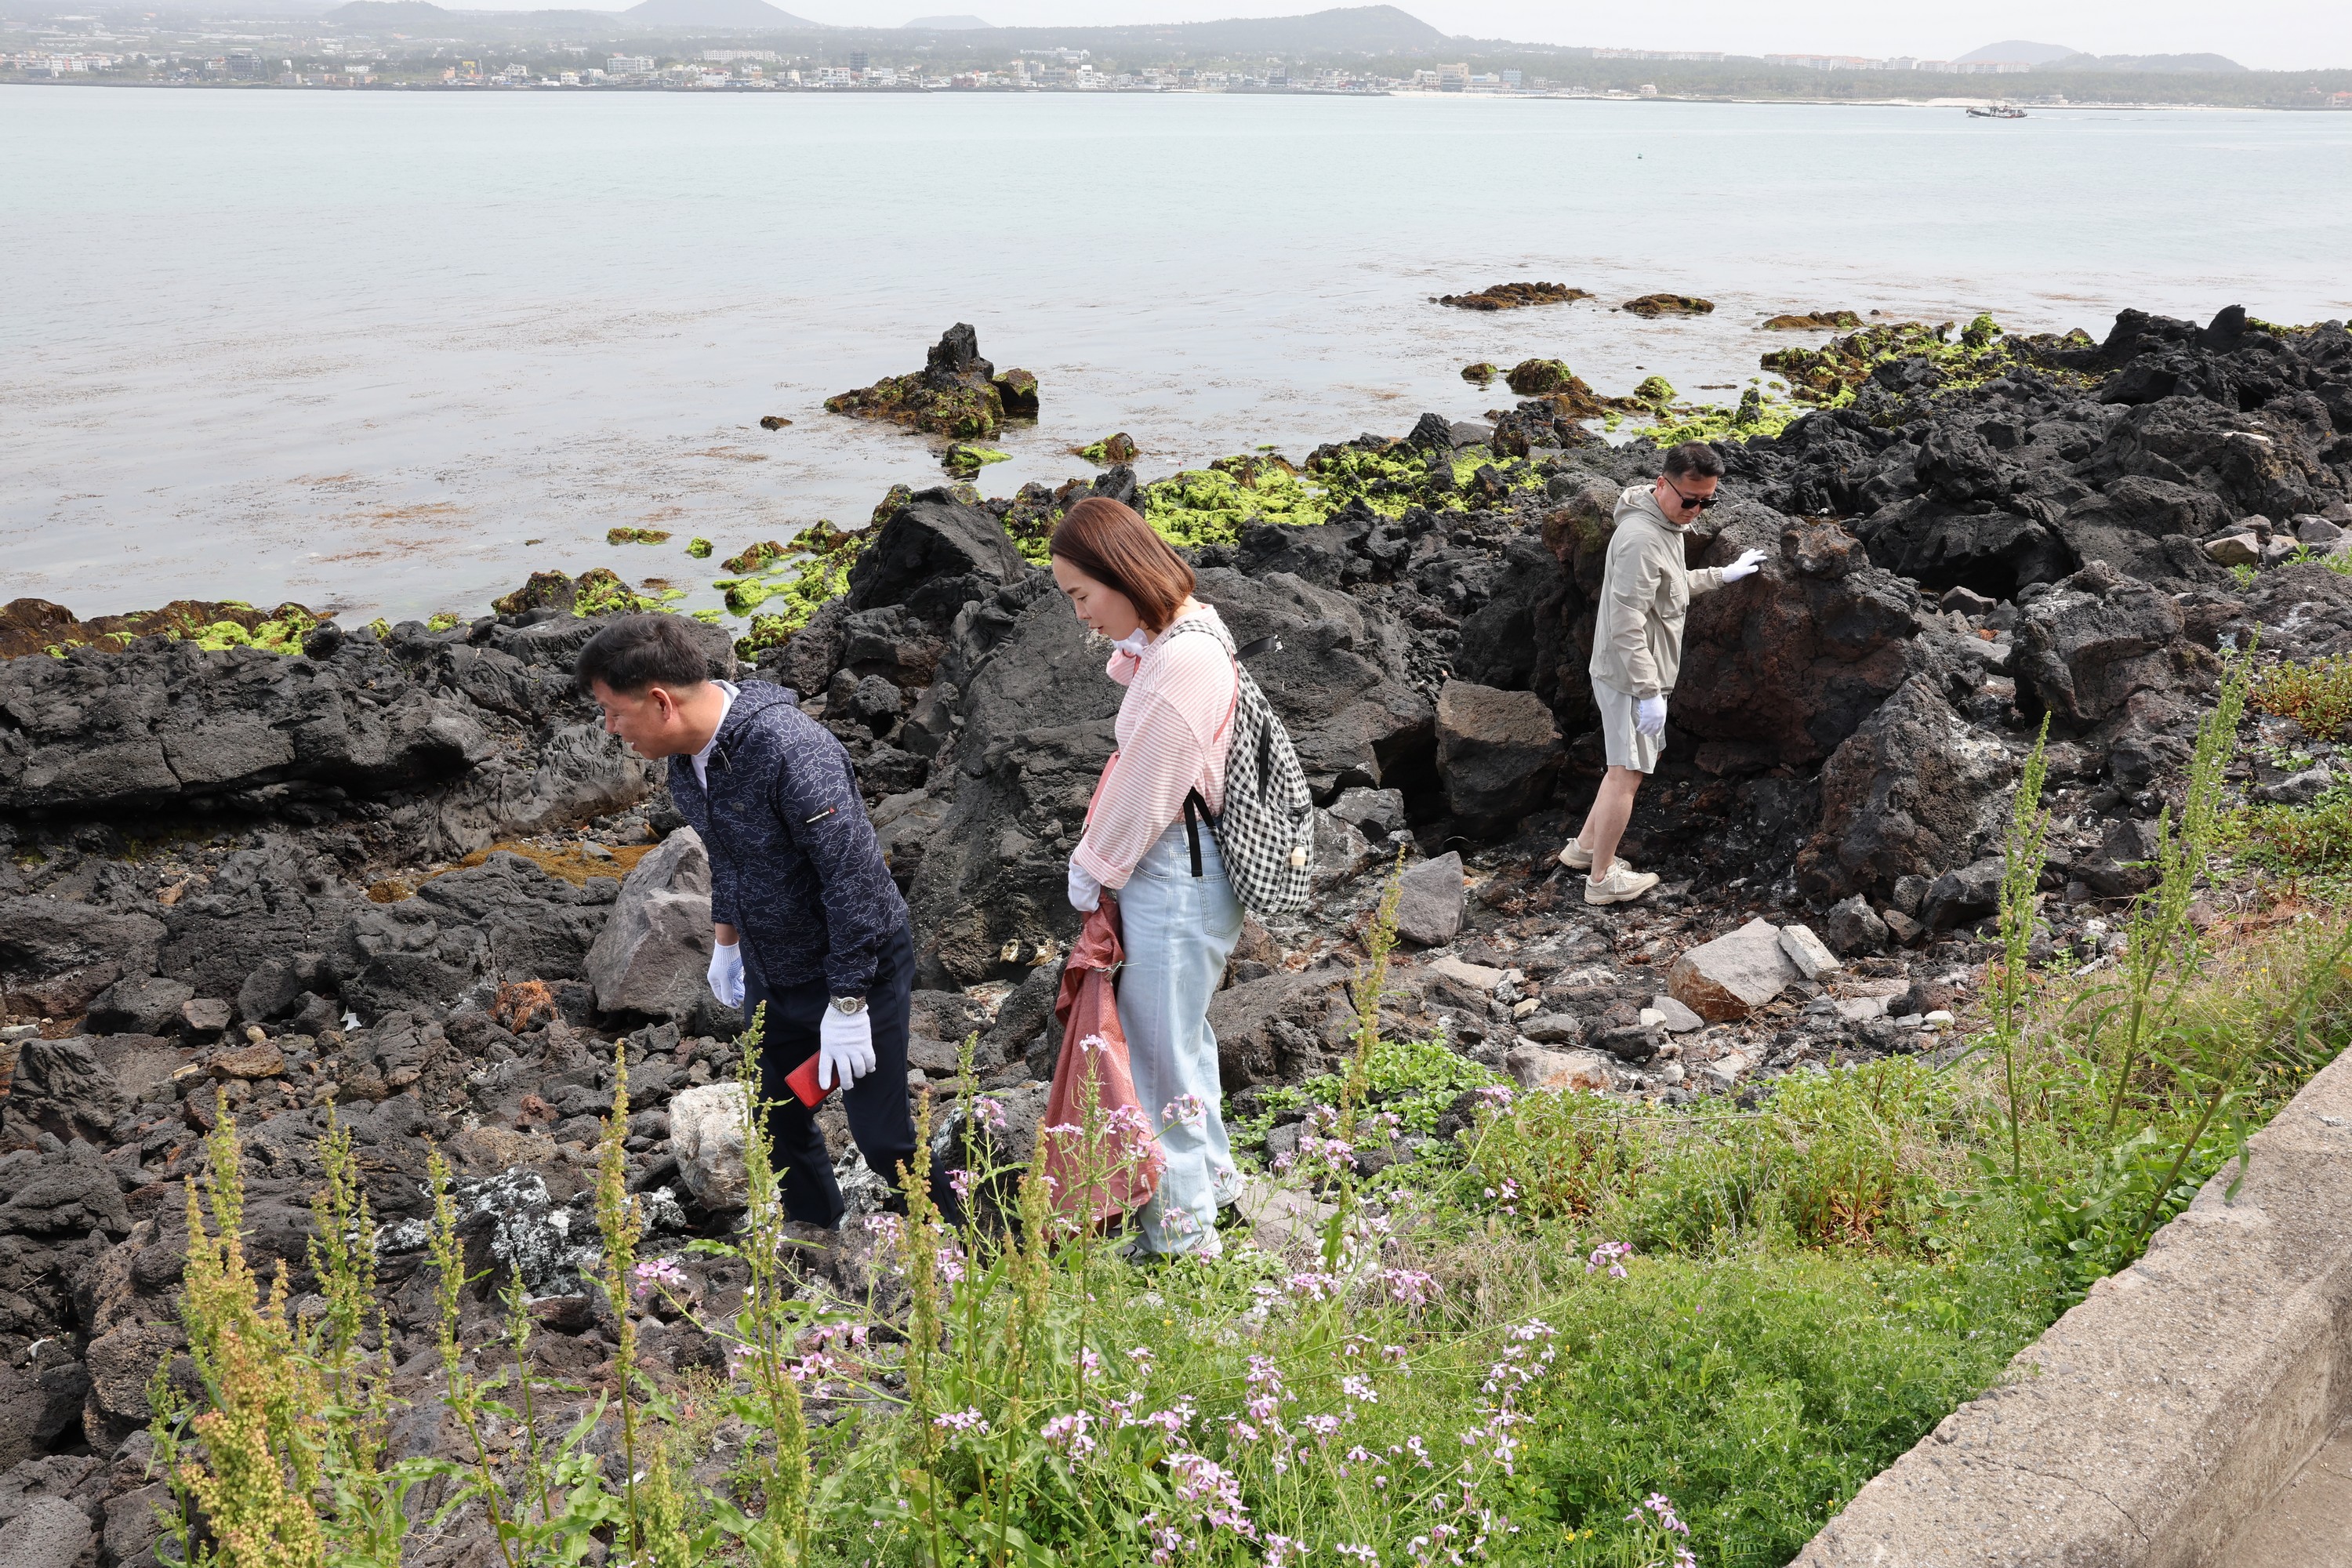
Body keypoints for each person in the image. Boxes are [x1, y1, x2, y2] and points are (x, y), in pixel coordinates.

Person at [575, 614, 917, 1229]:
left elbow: (855, 884)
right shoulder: (689, 762)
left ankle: (984, 1247)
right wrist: (726, 944)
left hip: (857, 962)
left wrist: (847, 1004)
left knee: (883, 1141)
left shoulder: (791, 750)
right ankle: (815, 1238)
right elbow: (731, 858)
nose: (611, 729)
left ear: (659, 701)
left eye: (612, 712)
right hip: (770, 960)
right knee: (777, 1113)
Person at [1052, 496, 1244, 1258]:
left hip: (1177, 873)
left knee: (1158, 1056)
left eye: (1081, 595)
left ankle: (1183, 1243)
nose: (1082, 615)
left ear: (1119, 572)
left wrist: (1091, 869)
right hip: (1195, 870)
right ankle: (1217, 1192)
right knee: (1181, 1040)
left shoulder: (1181, 662)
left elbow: (1147, 788)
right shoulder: (1189, 635)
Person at [1563, 441, 1768, 906]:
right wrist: (1648, 691)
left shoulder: (1664, 523)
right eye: (1689, 499)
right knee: (1627, 773)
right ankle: (1601, 881)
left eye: (1707, 501)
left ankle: (1584, 848)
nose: (1696, 510)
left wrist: (1724, 575)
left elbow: (1670, 590)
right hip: (1629, 675)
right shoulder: (1641, 539)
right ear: (1662, 484)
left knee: (1621, 762)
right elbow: (1625, 622)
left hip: (1629, 672)